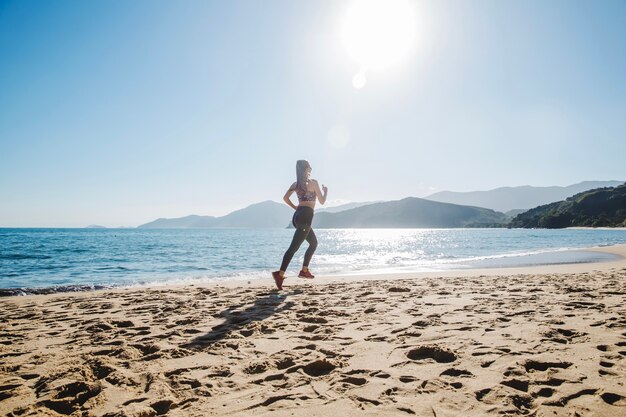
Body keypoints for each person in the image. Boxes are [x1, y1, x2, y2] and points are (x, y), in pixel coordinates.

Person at [272, 160, 328, 290]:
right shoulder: (313, 183)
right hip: (306, 217)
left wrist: (295, 207)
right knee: (293, 248)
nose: (311, 169)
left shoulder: (296, 184)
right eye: (309, 167)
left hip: (298, 217)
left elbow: (285, 198)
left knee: (313, 243)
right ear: (305, 170)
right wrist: (325, 191)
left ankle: (304, 270)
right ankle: (279, 274)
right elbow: (322, 201)